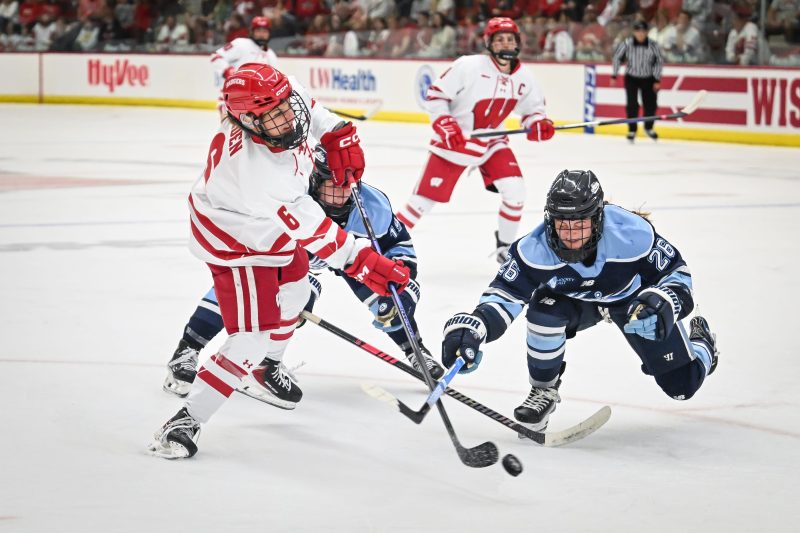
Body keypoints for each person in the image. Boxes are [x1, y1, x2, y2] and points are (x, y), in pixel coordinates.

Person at [148, 63, 410, 459]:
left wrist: (339, 133)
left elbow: (313, 109)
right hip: (236, 240)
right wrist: (364, 263)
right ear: (249, 120)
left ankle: (265, 367)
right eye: (274, 116)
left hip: (264, 224)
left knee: (298, 292)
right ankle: (185, 421)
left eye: (287, 106)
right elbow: (318, 233)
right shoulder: (259, 174)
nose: (288, 116)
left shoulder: (276, 97)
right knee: (251, 337)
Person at [440, 170, 719, 433]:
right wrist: (477, 326)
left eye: (580, 224)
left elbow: (677, 275)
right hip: (575, 301)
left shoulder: (632, 233)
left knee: (682, 385)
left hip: (633, 304)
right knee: (543, 312)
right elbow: (505, 294)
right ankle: (543, 390)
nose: (571, 235)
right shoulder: (533, 249)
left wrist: (663, 303)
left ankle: (704, 345)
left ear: (597, 219)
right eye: (563, 224)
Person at [162, 145, 444, 405]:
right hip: (280, 259)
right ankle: (188, 349)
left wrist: (403, 285)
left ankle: (416, 352)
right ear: (314, 180)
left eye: (349, 184)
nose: (344, 192)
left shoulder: (372, 205)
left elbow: (398, 245)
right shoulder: (291, 199)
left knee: (386, 293)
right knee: (243, 290)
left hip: (340, 255)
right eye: (334, 185)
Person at [395, 16, 555, 264]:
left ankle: (505, 247)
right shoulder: (469, 66)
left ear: (518, 42)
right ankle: (385, 243)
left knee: (516, 191)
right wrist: (444, 122)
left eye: (510, 39)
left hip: (493, 144)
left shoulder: (525, 77)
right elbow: (436, 95)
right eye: (499, 39)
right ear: (489, 43)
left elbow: (533, 110)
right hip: (455, 144)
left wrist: (537, 124)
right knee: (422, 203)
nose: (505, 44)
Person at [210, 16, 278, 118]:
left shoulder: (271, 55)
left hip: (255, 105)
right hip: (231, 99)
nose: (262, 34)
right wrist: (228, 71)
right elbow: (216, 57)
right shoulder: (241, 44)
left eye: (265, 31)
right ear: (252, 31)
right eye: (258, 30)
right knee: (229, 131)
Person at [611, 20, 664, 143]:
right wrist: (614, 74)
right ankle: (632, 130)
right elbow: (617, 58)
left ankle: (648, 127)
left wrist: (657, 79)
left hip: (648, 78)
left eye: (643, 31)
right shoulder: (627, 43)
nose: (640, 34)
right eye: (638, 31)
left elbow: (659, 62)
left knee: (650, 105)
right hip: (632, 78)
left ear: (647, 32)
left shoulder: (653, 45)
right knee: (632, 105)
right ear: (634, 32)